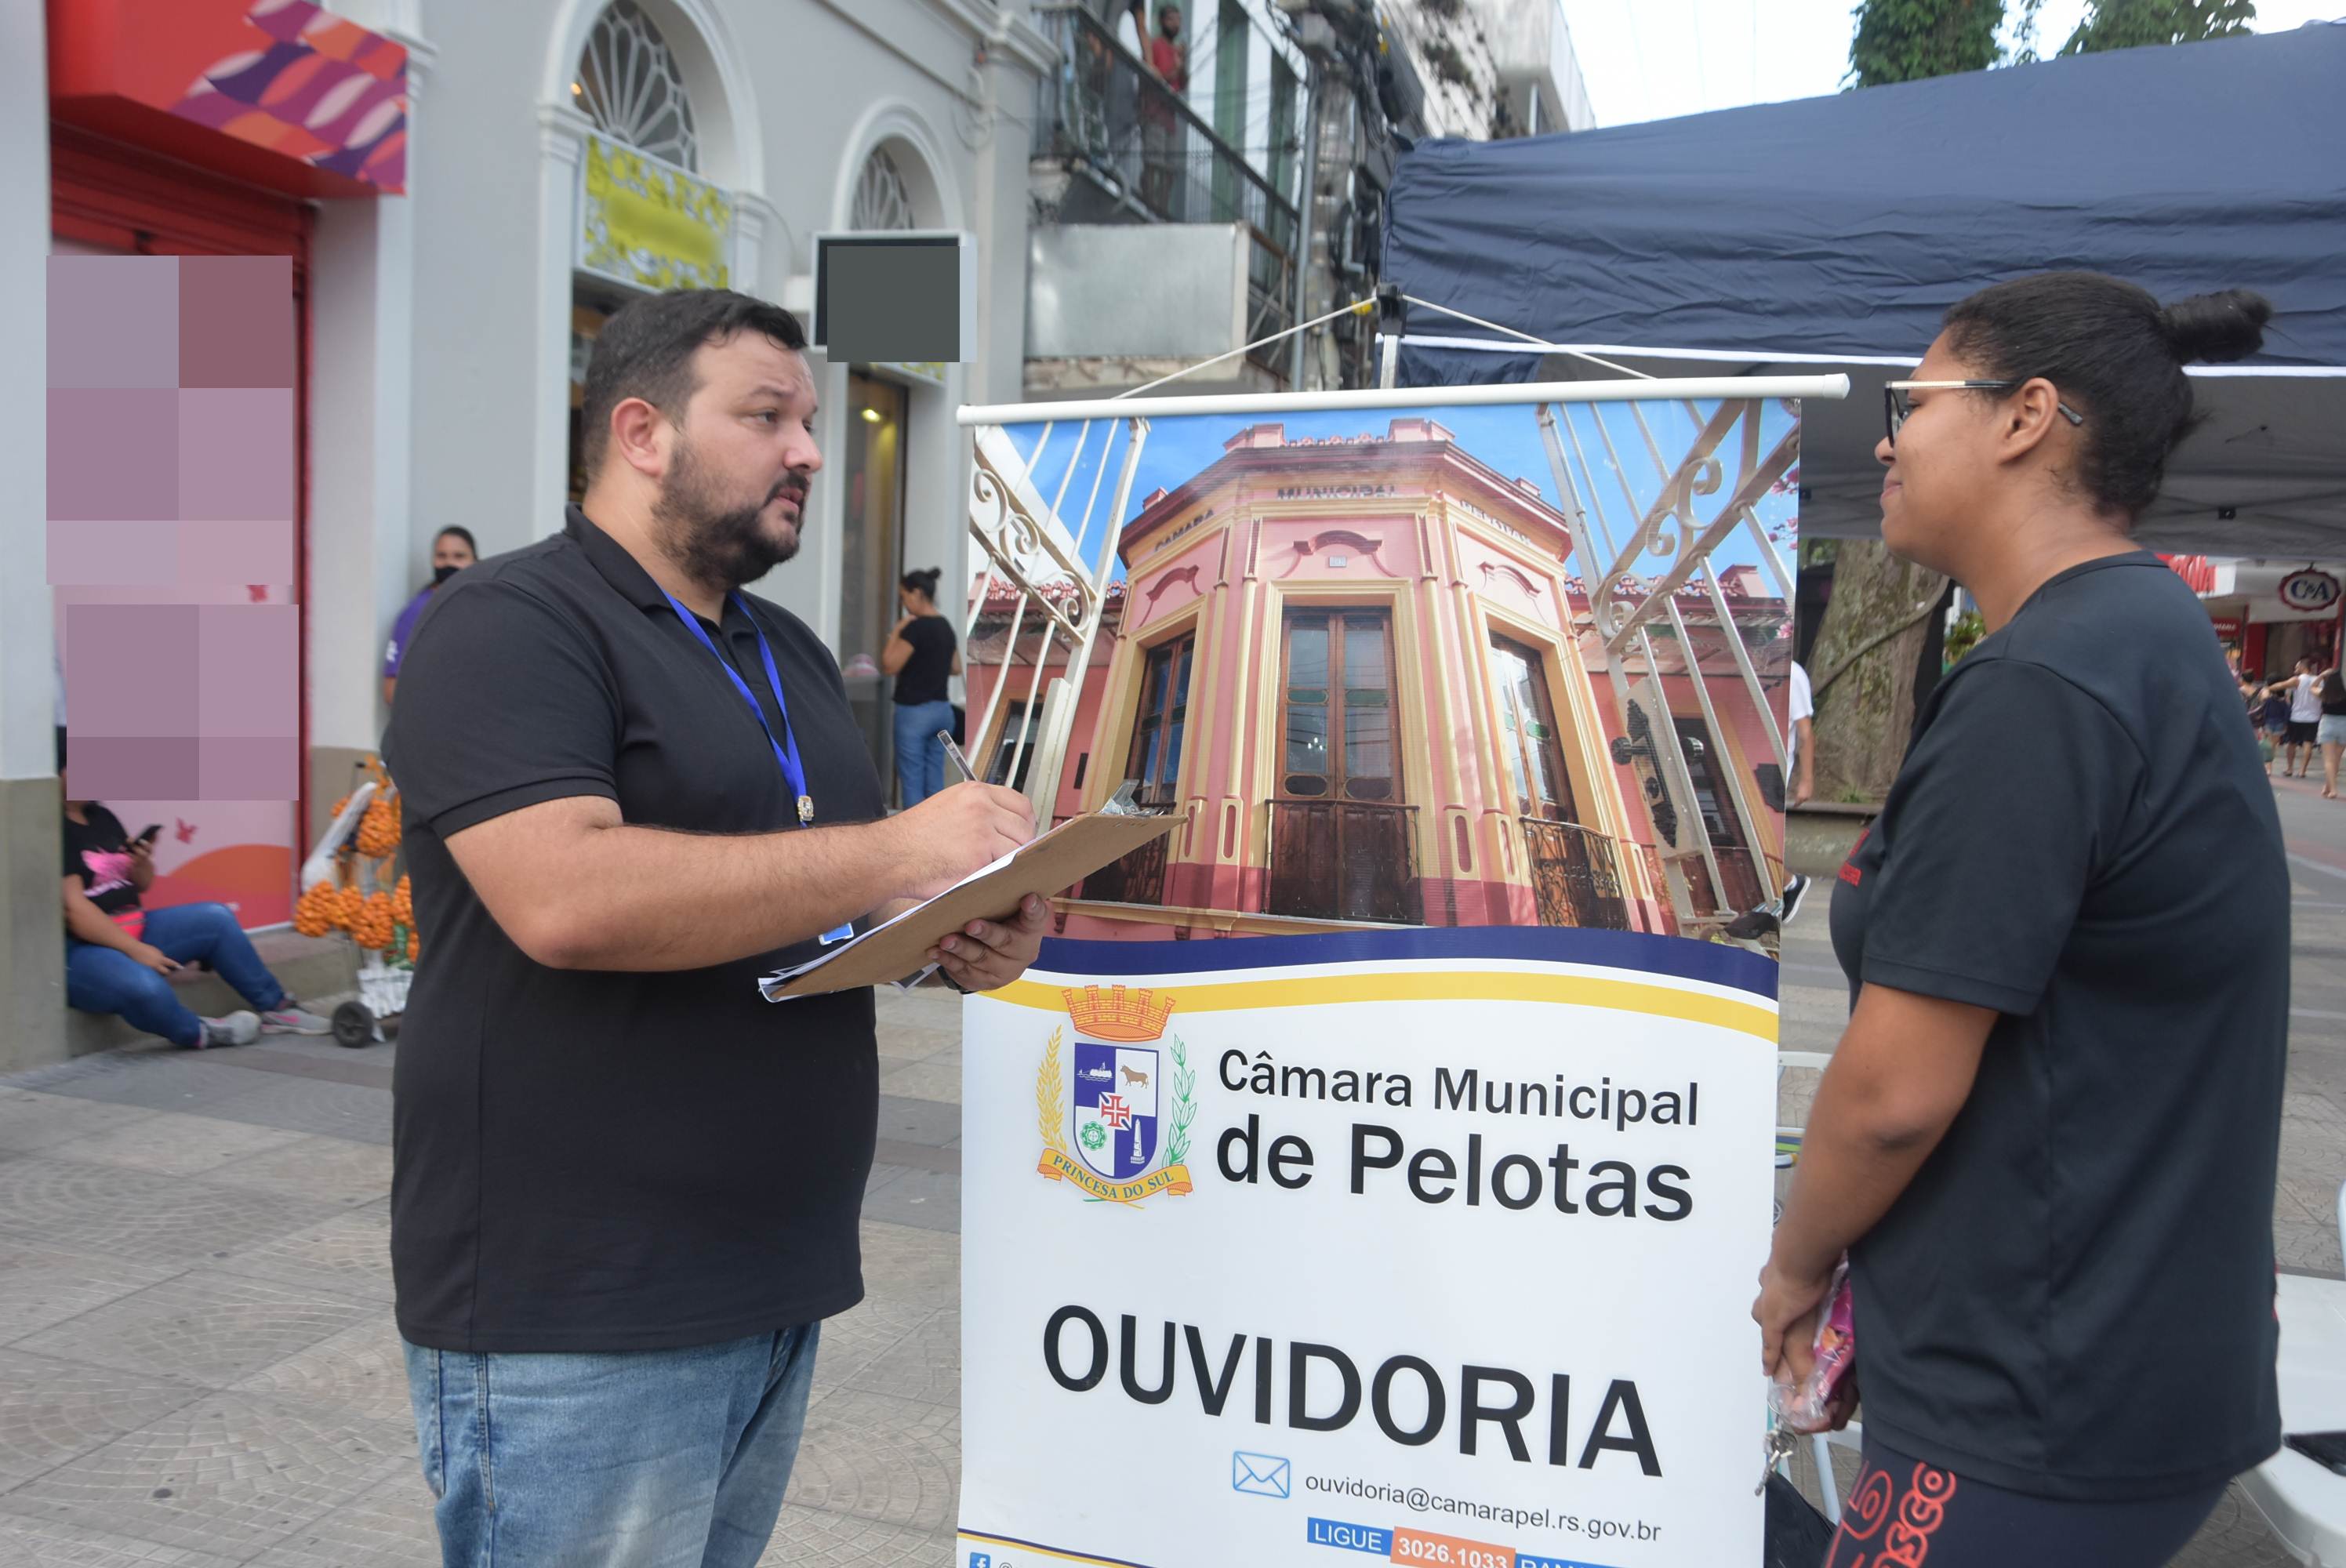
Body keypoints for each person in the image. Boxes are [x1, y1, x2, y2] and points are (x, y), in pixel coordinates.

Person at [382, 288, 1048, 1568]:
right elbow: (564, 898)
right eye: (766, 416)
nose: (809, 448)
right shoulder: (510, 627)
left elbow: (819, 887)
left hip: (768, 1281)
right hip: (577, 1313)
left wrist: (948, 933)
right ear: (640, 432)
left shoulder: (786, 649)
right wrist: (897, 849)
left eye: (808, 419)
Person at [1756, 274, 2286, 1566]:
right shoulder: (2133, 635)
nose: (1885, 438)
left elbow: (1892, 1093)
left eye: (1911, 401)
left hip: (2047, 1384)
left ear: (2023, 416)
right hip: (2109, 1349)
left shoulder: (2045, 688)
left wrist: (1792, 1271)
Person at [63, 798, 332, 1047]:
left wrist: (141, 863)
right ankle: (200, 1032)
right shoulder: (55, 828)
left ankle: (277, 1007)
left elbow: (142, 884)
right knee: (144, 986)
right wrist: (135, 950)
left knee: (217, 918)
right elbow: (75, 910)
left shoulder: (102, 816)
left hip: (137, 928)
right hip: (86, 952)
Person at [881, 568, 961, 808]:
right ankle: (939, 837)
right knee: (934, 782)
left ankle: (915, 843)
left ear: (916, 594)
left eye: (904, 597)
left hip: (914, 714)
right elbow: (956, 667)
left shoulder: (914, 629)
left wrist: (896, 631)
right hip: (942, 712)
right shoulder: (945, 626)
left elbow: (889, 665)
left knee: (912, 782)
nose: (904, 604)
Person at [381, 526, 478, 706]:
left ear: (475, 560)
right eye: (442, 556)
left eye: (459, 556)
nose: (449, 563)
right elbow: (391, 690)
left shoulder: (486, 608)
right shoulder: (416, 613)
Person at [1139, 3, 1187, 218]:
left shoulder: (1176, 51)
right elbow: (1155, 78)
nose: (1175, 24)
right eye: (1170, 19)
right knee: (1154, 162)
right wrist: (1175, 69)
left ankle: (1162, 206)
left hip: (1170, 118)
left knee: (1170, 169)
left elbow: (1183, 83)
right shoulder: (1155, 46)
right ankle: (1150, 202)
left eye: (1178, 20)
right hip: (1155, 113)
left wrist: (1182, 64)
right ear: (1161, 22)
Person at [1778, 659, 1816, 923]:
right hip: (1750, 755)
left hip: (1775, 768)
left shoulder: (1793, 674)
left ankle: (1791, 882)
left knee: (1759, 842)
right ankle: (1787, 883)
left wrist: (1807, 779)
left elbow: (1805, 733)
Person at [2268, 655, 2322, 780]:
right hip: (2313, 718)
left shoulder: (2297, 680)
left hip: (2297, 717)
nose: (2295, 670)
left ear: (2303, 667)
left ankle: (2290, 768)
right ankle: (2302, 771)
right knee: (2308, 743)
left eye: (2297, 667)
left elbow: (2280, 685)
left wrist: (2268, 688)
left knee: (2291, 743)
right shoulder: (2319, 680)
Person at [2318, 659, 2345, 800]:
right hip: (2344, 726)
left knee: (2329, 759)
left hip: (2328, 724)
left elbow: (2312, 686)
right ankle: (2328, 786)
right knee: (2336, 759)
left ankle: (2333, 789)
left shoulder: (2323, 694)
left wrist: (2321, 675)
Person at [2257, 670, 2293, 775]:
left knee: (2267, 744)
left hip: (2267, 721)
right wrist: (2286, 724)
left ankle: (2267, 767)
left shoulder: (2266, 692)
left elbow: (2261, 701)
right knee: (2272, 746)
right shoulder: (2285, 695)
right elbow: (2288, 709)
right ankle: (2268, 767)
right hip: (2280, 723)